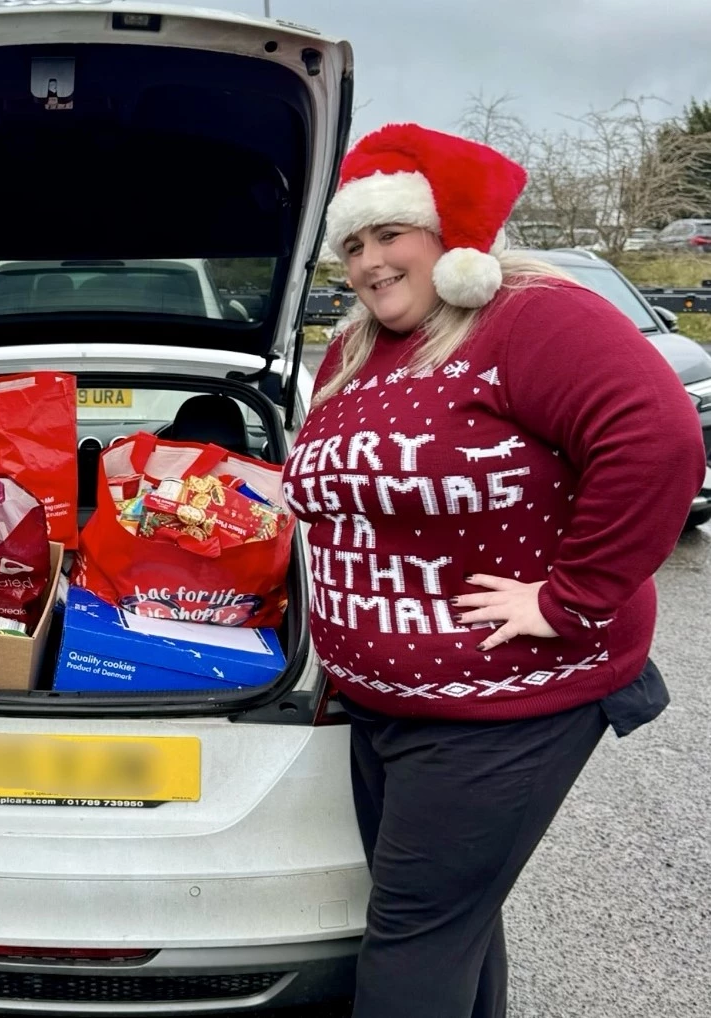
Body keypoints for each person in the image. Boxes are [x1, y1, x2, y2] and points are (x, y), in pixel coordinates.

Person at [281, 123, 706, 1018]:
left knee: (410, 939)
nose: (369, 262)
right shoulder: (359, 352)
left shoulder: (530, 317)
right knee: (451, 923)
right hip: (388, 704)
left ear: (451, 236)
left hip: (497, 710)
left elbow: (658, 441)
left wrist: (571, 597)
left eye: (390, 234)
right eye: (353, 245)